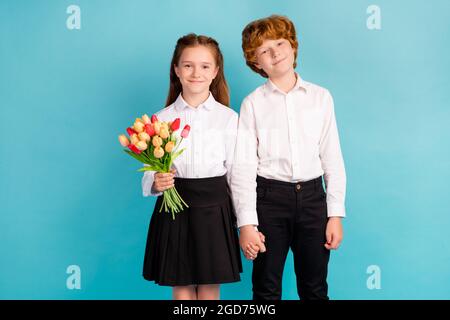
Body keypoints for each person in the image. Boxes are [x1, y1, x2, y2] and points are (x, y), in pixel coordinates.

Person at [231, 15, 347, 300]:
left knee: (315, 287)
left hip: (312, 200)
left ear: (293, 46)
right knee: (266, 288)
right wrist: (247, 224)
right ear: (256, 63)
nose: (275, 52)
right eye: (264, 51)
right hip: (269, 201)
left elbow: (332, 158)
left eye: (280, 43)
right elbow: (243, 168)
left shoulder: (321, 98)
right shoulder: (253, 104)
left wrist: (335, 214)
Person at [141, 33, 242, 300]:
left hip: (215, 207)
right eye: (187, 65)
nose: (196, 72)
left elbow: (237, 175)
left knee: (210, 287)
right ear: (176, 70)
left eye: (205, 66)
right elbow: (151, 169)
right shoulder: (161, 119)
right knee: (181, 284)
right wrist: (155, 182)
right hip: (176, 208)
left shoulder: (229, 119)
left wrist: (245, 223)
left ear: (215, 72)